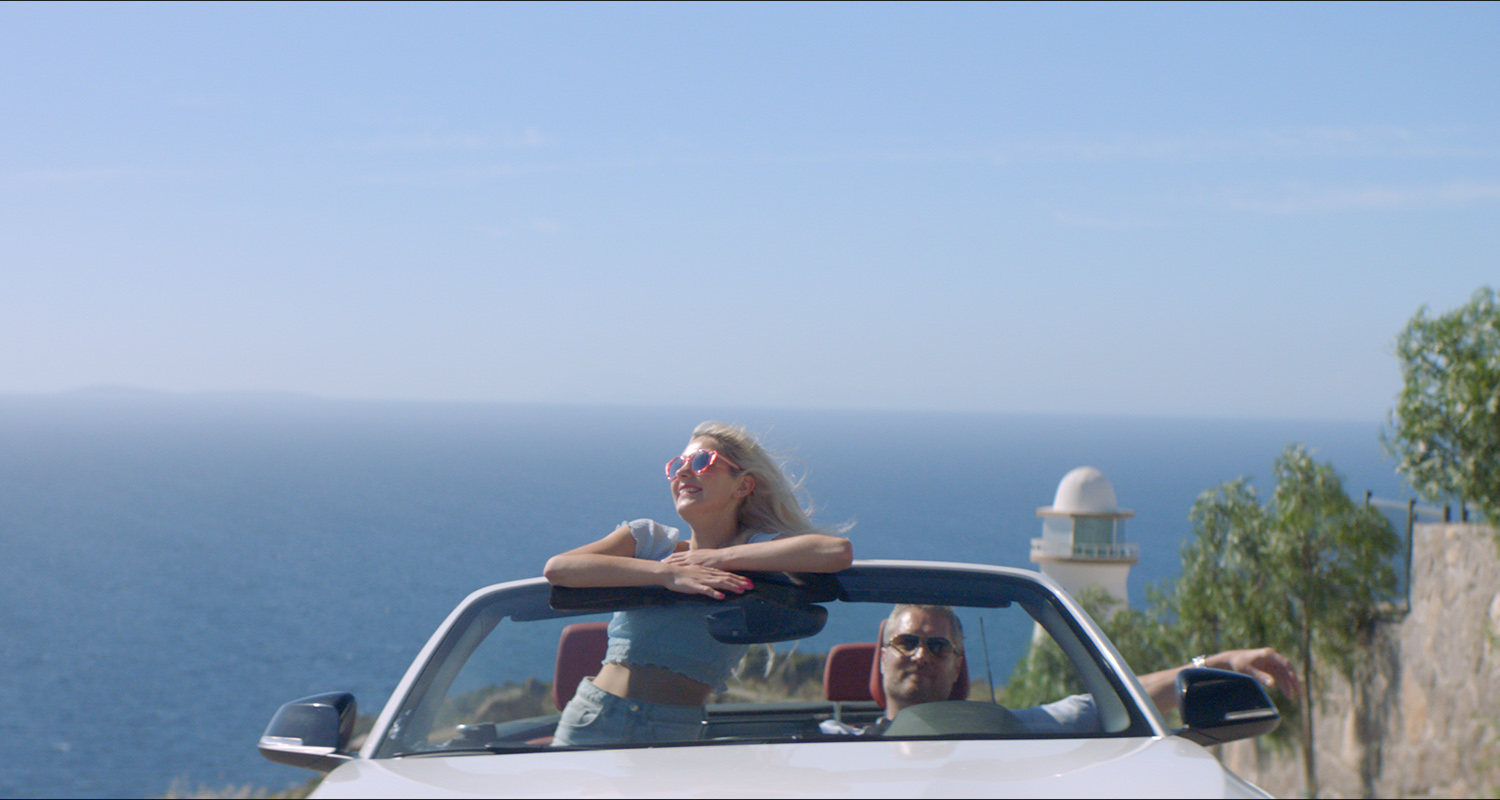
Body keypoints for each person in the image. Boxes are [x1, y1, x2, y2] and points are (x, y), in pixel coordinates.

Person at [543, 421, 854, 746]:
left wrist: (717, 558)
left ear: (743, 485)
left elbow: (835, 551)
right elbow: (560, 569)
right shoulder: (649, 541)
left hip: (674, 730)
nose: (683, 472)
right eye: (678, 464)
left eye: (702, 461)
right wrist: (668, 575)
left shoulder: (755, 552)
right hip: (595, 716)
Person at [824, 604, 1300, 736]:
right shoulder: (832, 745)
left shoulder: (1013, 734)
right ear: (881, 656)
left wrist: (1217, 665)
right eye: (906, 642)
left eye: (937, 646)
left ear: (956, 667)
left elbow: (1115, 701)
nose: (920, 655)